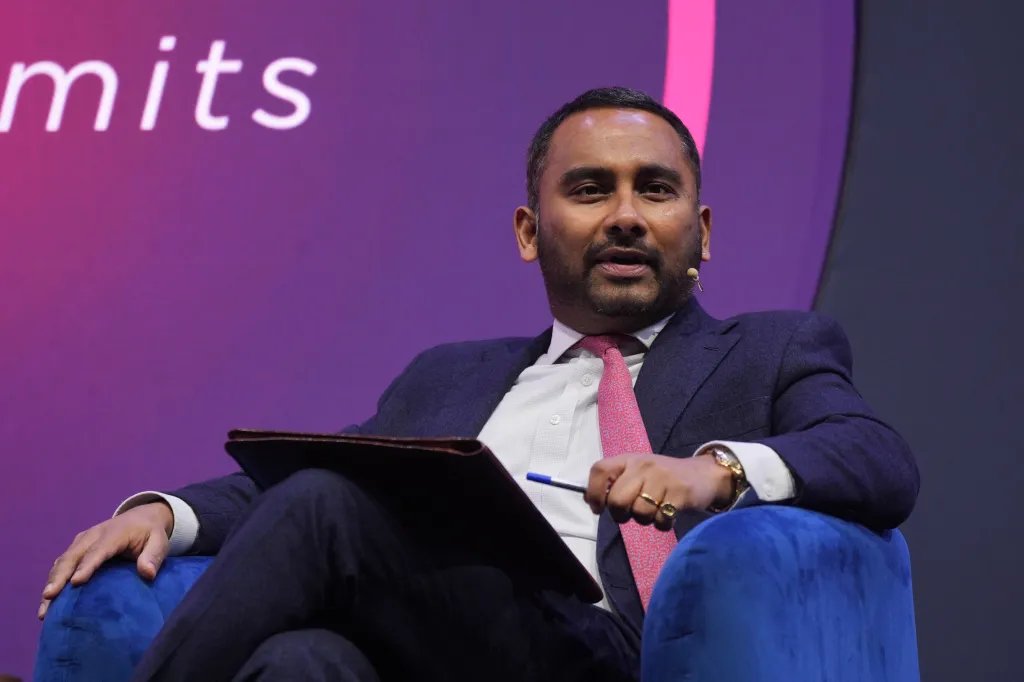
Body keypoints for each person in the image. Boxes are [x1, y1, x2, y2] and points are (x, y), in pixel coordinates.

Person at [39, 87, 919, 681]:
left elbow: (874, 457)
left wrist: (713, 471)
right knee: (302, 661)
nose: (625, 215)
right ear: (530, 232)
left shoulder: (771, 349)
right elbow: (313, 484)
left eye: (655, 191)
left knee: (324, 507)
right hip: (449, 646)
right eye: (590, 190)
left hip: (614, 649)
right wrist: (167, 513)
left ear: (703, 232)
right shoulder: (450, 376)